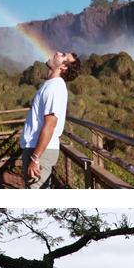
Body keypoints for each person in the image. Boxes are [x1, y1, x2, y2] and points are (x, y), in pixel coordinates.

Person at [20, 51, 81, 188]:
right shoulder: (50, 85)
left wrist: (35, 158)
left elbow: (50, 125)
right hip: (37, 149)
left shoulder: (55, 88)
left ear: (64, 67)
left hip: (40, 151)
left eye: (63, 55)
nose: (57, 53)